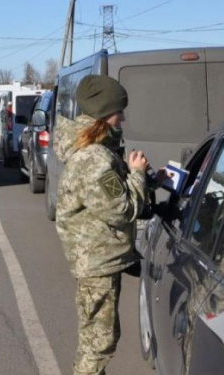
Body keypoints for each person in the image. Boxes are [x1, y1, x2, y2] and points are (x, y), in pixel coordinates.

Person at [54, 75, 150, 375]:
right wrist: (137, 175)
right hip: (98, 263)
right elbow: (122, 210)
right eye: (118, 110)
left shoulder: (95, 151)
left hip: (96, 259)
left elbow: (111, 198)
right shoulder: (94, 158)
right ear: (103, 112)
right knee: (99, 342)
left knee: (94, 339)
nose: (122, 116)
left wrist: (141, 179)